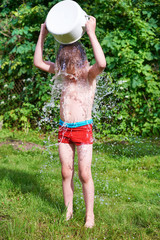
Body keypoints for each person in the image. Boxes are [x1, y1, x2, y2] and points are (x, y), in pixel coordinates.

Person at [34, 16, 106, 228]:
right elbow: (38, 62)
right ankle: (68, 211)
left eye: (74, 66)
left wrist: (91, 33)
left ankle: (89, 216)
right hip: (65, 129)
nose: (71, 72)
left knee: (84, 173)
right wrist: (43, 35)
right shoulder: (63, 74)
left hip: (83, 130)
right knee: (66, 171)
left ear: (83, 63)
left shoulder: (89, 76)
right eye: (66, 66)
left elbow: (101, 63)